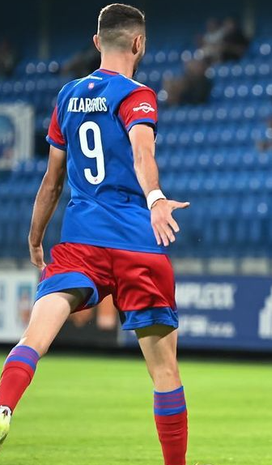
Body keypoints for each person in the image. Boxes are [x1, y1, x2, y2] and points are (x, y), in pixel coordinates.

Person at [0, 5, 190, 465]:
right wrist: (157, 198)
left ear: (96, 42)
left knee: (32, 339)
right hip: (136, 244)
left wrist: (35, 236)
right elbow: (143, 154)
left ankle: (4, 404)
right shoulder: (137, 95)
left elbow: (52, 179)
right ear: (139, 44)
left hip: (80, 241)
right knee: (164, 371)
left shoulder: (66, 96)